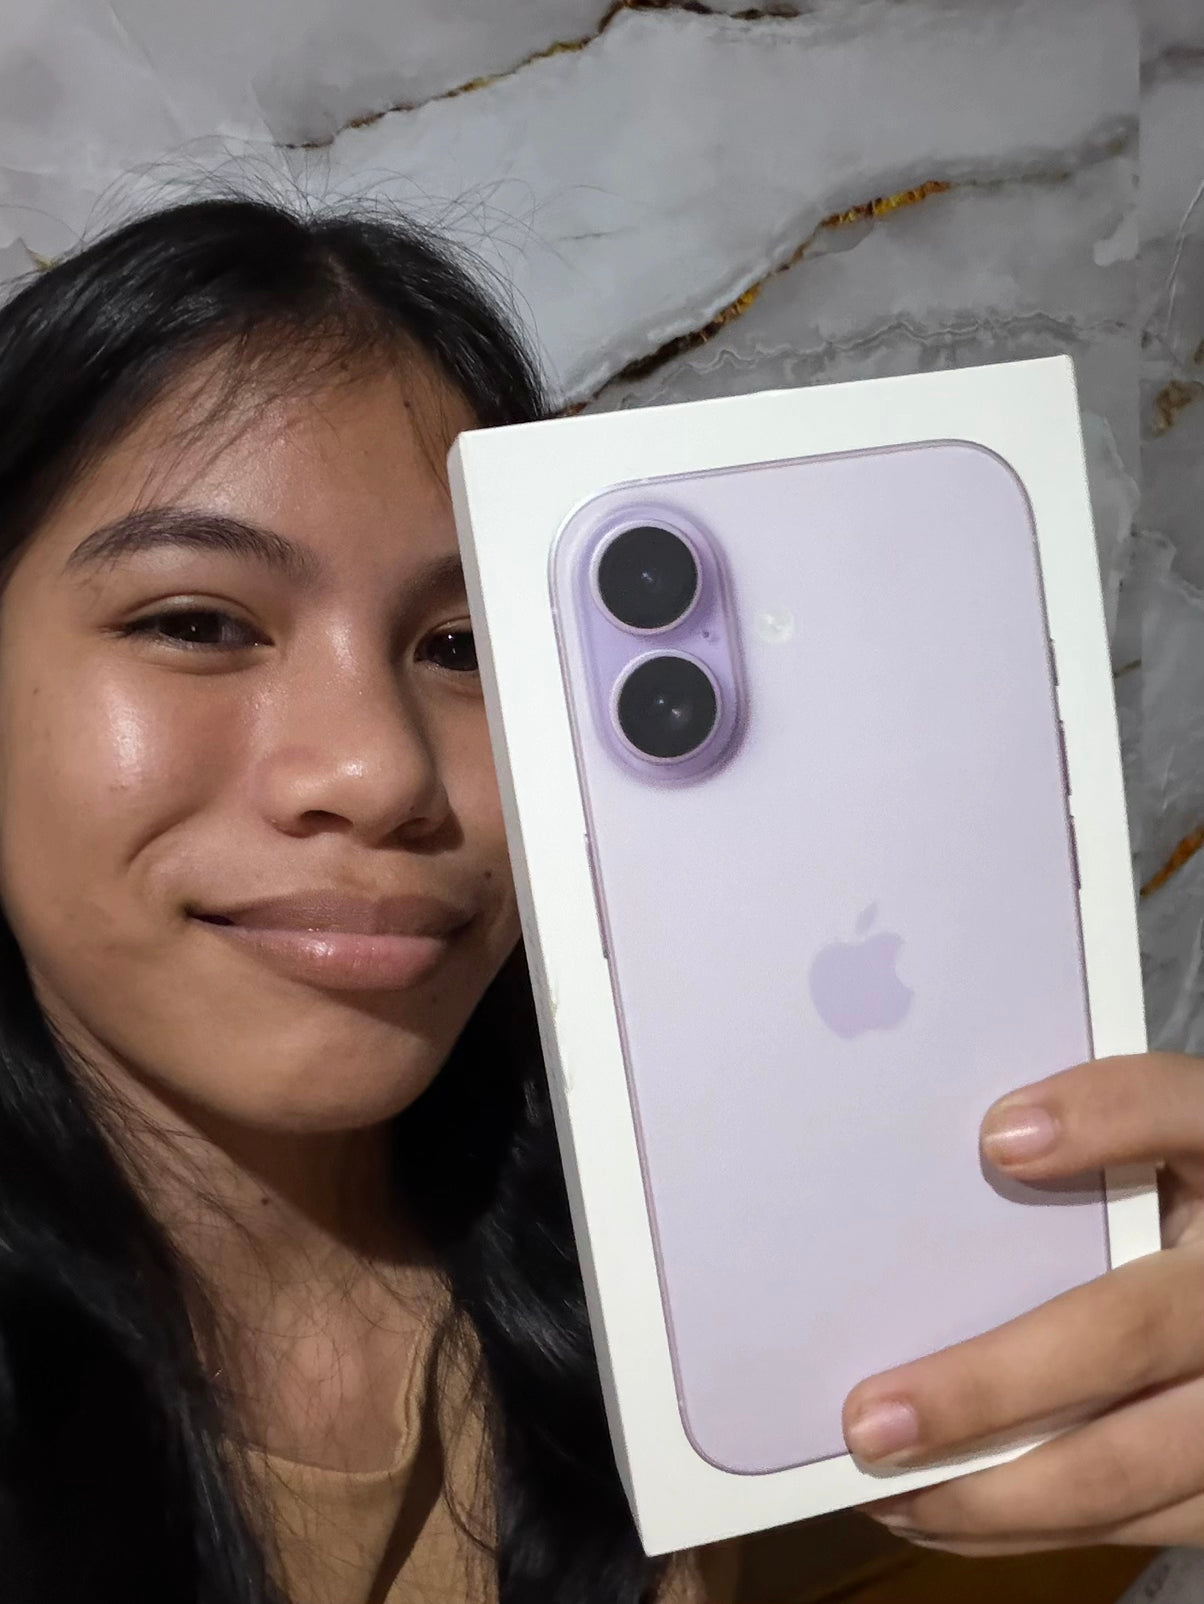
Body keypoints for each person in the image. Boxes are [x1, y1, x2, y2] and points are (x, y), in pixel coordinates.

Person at [0, 195, 1198, 1604]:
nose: (381, 773)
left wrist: (1129, 1372)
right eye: (197, 624)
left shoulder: (695, 1279)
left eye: (466, 646)